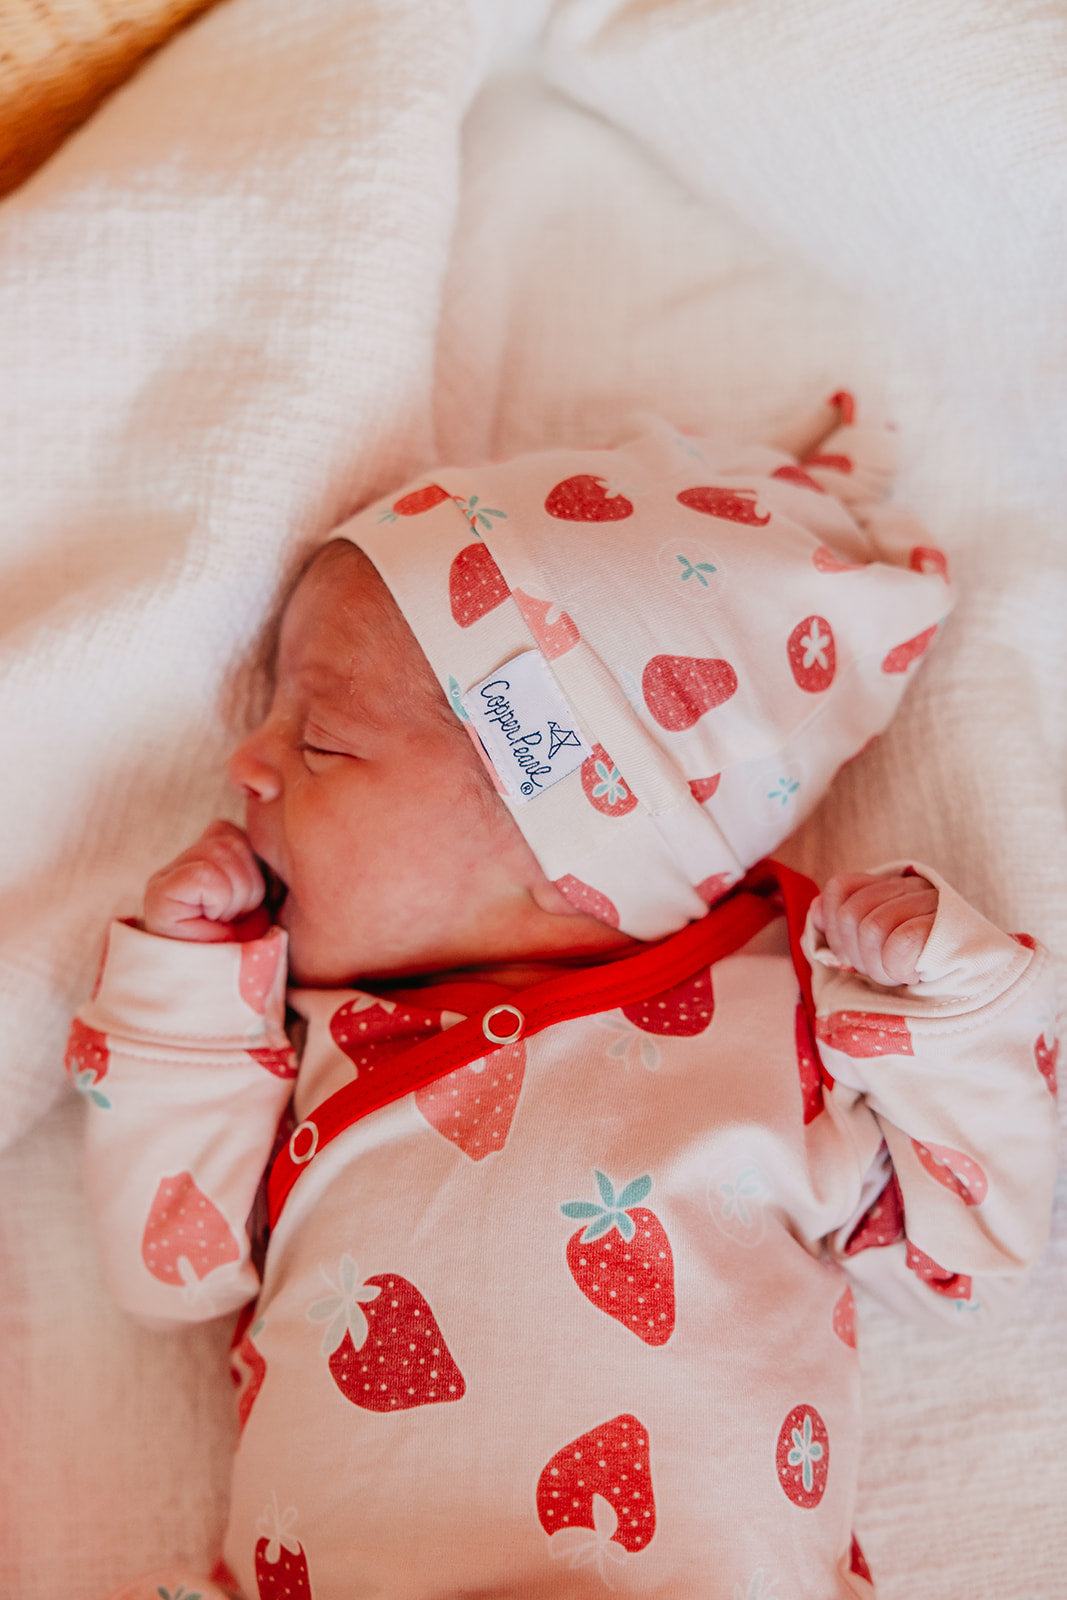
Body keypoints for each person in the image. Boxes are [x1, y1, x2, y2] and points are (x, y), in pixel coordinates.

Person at [71, 397, 1059, 1600]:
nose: (246, 763)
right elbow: (169, 1268)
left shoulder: (777, 1021)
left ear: (566, 838)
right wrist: (180, 996)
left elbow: (969, 1255)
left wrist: (947, 1014)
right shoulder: (307, 1043)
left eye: (319, 738)